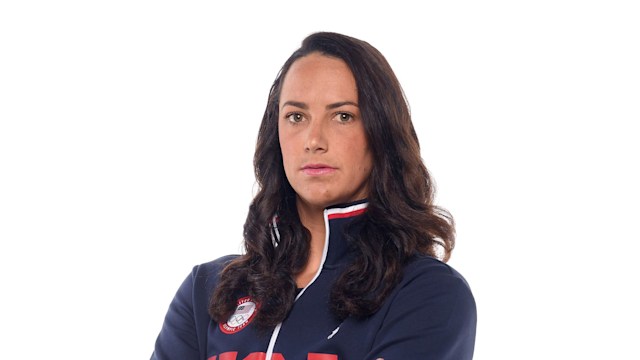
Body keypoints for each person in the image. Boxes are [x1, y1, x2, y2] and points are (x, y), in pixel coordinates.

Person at [151, 32, 477, 360]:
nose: (313, 140)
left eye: (343, 116)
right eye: (296, 116)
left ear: (381, 133)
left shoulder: (426, 294)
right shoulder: (207, 289)